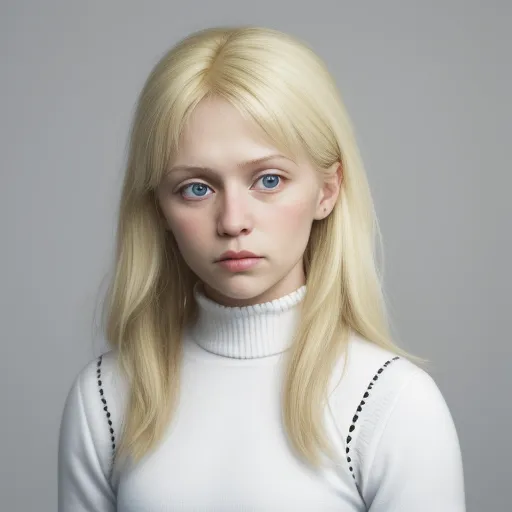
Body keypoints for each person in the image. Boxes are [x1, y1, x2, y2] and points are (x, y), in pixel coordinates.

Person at [58, 25, 466, 511]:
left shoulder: (392, 402)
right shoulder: (106, 398)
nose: (233, 222)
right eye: (196, 188)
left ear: (327, 190)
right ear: (159, 208)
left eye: (268, 180)